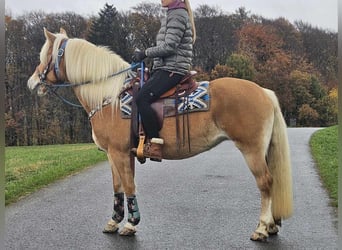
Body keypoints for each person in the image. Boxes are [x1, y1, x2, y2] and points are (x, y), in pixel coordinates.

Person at [132, 0, 196, 161]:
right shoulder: (172, 13)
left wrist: (145, 53)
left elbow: (169, 46)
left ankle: (155, 146)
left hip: (172, 69)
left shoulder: (177, 14)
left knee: (142, 98)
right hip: (165, 67)